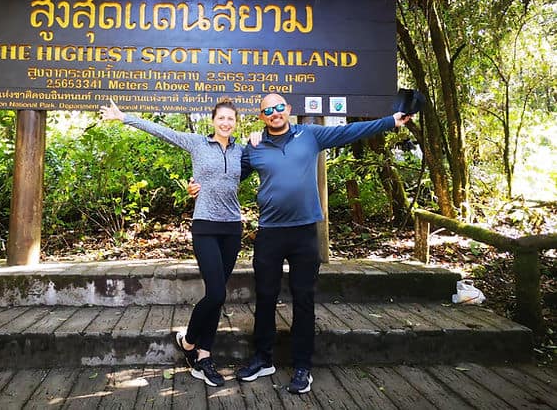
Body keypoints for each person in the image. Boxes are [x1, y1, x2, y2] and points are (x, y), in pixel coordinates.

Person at [188, 94, 410, 394]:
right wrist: (197, 184)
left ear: (288, 110)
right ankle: (263, 358)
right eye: (268, 110)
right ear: (262, 117)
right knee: (265, 298)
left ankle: (303, 366)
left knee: (303, 298)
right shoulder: (253, 148)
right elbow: (225, 172)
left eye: (280, 107)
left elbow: (350, 132)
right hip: (269, 233)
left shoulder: (311, 135)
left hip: (304, 232)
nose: (275, 113)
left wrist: (391, 121)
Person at [99, 97, 258, 388]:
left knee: (218, 295)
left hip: (232, 228)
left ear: (236, 122)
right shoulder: (197, 143)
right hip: (205, 227)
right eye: (221, 118)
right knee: (216, 294)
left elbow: (266, 160)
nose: (226, 123)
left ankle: (203, 357)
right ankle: (188, 341)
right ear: (213, 120)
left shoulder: (242, 152)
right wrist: (124, 118)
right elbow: (162, 131)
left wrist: (259, 140)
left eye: (230, 119)